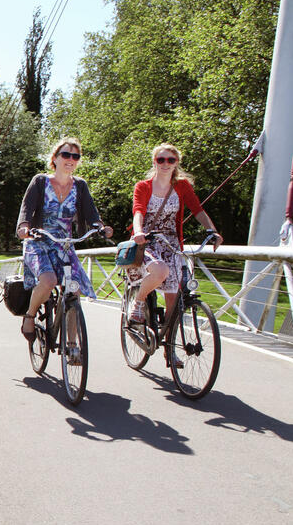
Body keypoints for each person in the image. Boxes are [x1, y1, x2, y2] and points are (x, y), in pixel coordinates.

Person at [16, 137, 113, 360]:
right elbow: (26, 209)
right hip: (38, 240)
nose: (71, 160)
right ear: (55, 158)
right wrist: (24, 227)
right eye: (66, 155)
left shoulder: (80, 186)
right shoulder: (40, 181)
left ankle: (72, 345)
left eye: (75, 156)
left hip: (64, 245)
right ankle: (30, 315)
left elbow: (91, 214)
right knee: (48, 281)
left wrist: (100, 227)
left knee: (74, 289)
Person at [127, 143, 222, 367]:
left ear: (177, 162)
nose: (166, 164)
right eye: (161, 160)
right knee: (160, 271)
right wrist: (139, 232)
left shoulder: (182, 186)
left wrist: (213, 231)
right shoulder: (143, 186)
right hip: (147, 242)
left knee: (174, 300)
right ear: (154, 162)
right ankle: (139, 303)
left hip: (172, 243)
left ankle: (169, 351)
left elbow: (197, 210)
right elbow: (138, 211)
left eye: (171, 160)